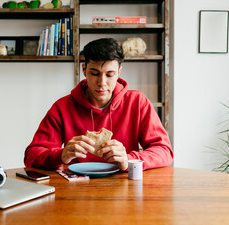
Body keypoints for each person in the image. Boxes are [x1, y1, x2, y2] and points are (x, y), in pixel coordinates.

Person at [24, 38, 173, 171]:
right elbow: (31, 156)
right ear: (84, 70)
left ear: (119, 72)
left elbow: (164, 151)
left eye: (109, 75)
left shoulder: (137, 102)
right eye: (95, 73)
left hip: (124, 188)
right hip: (75, 190)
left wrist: (129, 159)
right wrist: (61, 155)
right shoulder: (62, 107)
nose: (102, 83)